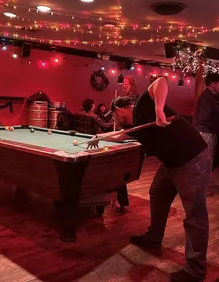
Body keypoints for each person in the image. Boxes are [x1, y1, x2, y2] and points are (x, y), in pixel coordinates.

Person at [88, 77, 211, 282]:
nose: (115, 122)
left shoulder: (144, 104)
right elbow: (121, 136)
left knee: (195, 215)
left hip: (192, 160)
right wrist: (98, 138)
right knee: (157, 192)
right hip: (172, 162)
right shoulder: (135, 127)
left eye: (115, 118)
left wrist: (160, 110)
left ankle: (196, 270)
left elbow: (160, 82)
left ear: (119, 111)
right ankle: (154, 238)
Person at [194, 72, 219, 159]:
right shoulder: (207, 97)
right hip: (206, 133)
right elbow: (204, 117)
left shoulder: (209, 96)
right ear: (213, 84)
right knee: (206, 160)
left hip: (207, 131)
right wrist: (218, 125)